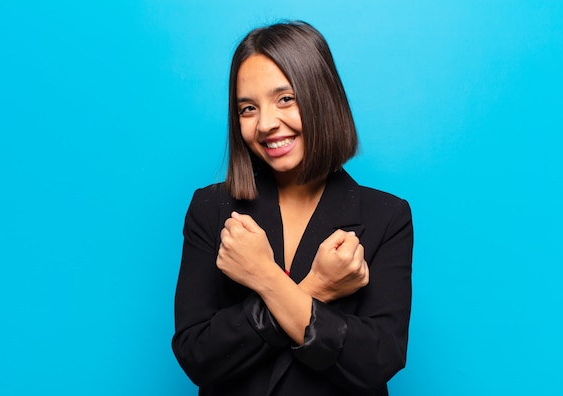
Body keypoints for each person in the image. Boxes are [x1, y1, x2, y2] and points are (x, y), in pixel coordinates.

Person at [172, 21, 413, 395]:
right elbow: (197, 355)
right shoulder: (210, 207)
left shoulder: (388, 216)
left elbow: (379, 359)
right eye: (248, 108)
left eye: (285, 99)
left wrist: (264, 277)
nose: (266, 124)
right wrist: (317, 287)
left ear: (321, 96)